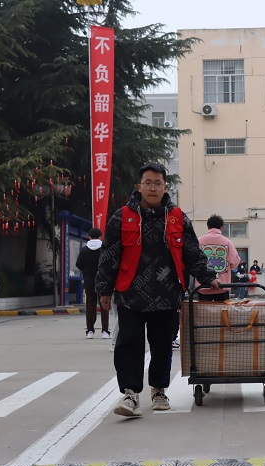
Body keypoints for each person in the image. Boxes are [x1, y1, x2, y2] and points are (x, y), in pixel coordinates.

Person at [95, 163, 218, 418]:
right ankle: (130, 395)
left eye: (158, 183)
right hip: (130, 294)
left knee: (162, 345)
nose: (153, 188)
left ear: (165, 187)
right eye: (148, 183)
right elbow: (109, 255)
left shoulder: (177, 218)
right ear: (139, 186)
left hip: (167, 294)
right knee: (129, 344)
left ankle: (159, 391)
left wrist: (208, 277)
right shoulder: (122, 217)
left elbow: (192, 252)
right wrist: (104, 289)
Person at [76, 227, 110, 339]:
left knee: (90, 306)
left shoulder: (84, 250)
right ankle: (105, 331)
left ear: (89, 236)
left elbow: (79, 264)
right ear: (100, 236)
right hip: (103, 281)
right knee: (104, 306)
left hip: (89, 282)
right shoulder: (104, 249)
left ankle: (90, 331)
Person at [197, 214, 240, 301]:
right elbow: (235, 261)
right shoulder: (227, 242)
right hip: (222, 286)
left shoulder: (199, 241)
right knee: (222, 309)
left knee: (203, 309)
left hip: (203, 286)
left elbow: (194, 261)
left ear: (208, 227)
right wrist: (228, 268)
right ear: (221, 227)